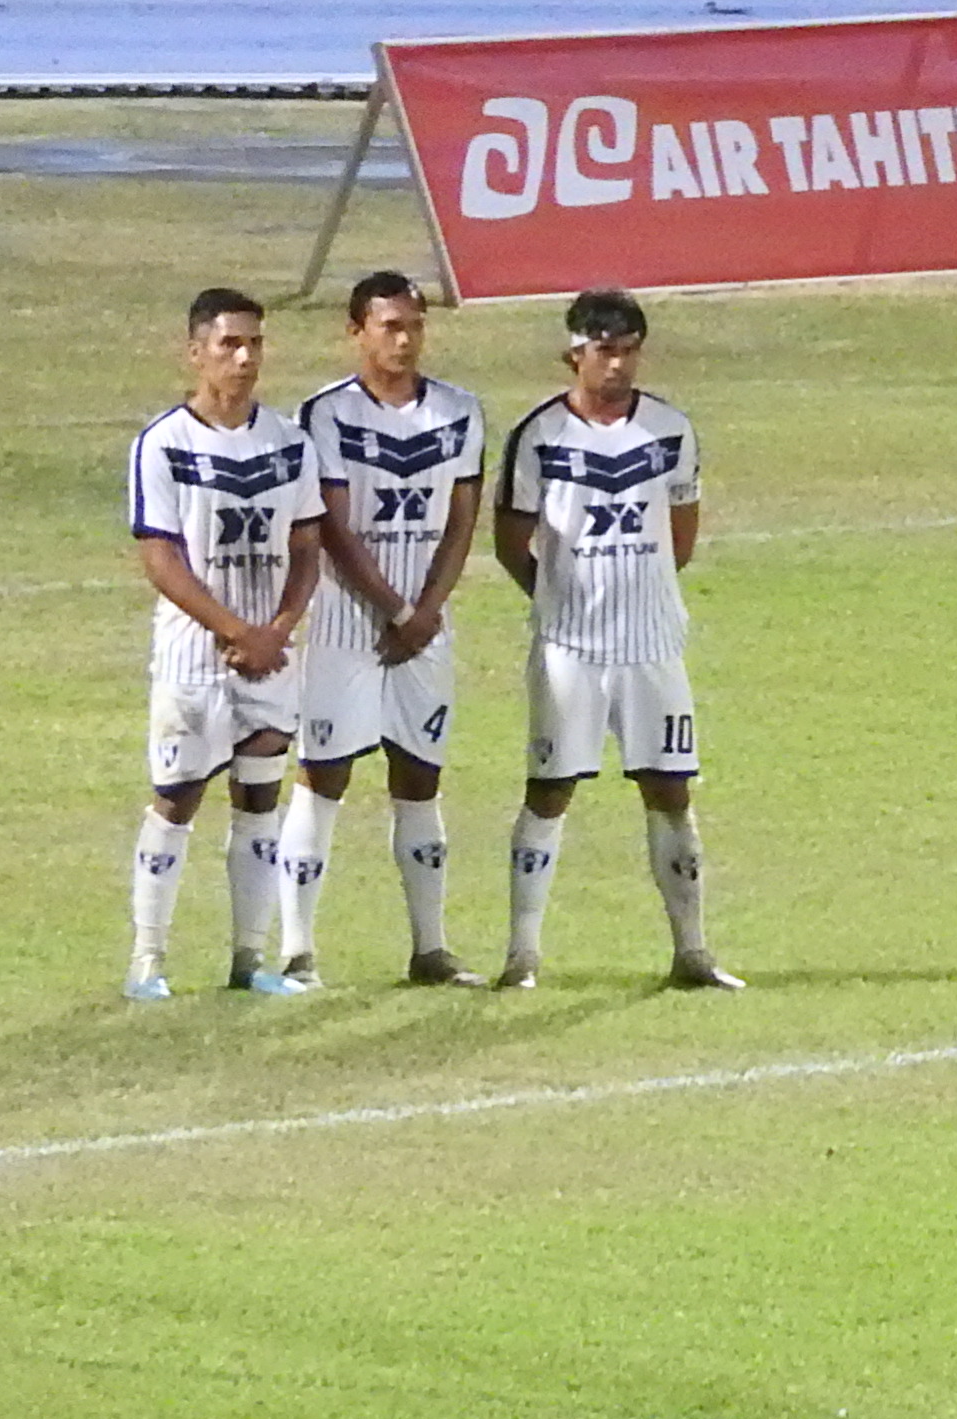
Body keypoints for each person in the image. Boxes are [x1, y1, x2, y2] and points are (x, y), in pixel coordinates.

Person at [492, 288, 736, 989]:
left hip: (653, 644)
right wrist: (562, 600)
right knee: (551, 788)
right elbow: (513, 540)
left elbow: (681, 535)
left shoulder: (669, 431)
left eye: (628, 349)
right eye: (604, 349)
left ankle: (692, 952)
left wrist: (643, 591)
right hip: (570, 648)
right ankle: (522, 955)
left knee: (671, 789)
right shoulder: (540, 436)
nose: (618, 364)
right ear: (575, 351)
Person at [285, 270, 488, 988]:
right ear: (356, 332)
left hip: (425, 627)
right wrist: (395, 611)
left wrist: (427, 609)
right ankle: (296, 951)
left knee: (420, 776)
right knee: (324, 776)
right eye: (389, 326)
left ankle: (430, 949)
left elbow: (462, 520)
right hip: (347, 621)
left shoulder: (461, 412)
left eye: (414, 326)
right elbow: (334, 529)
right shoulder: (327, 415)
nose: (404, 340)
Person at [123, 286, 322, 1002]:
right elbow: (160, 559)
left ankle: (248, 959)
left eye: (255, 344)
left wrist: (280, 629)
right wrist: (238, 631)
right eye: (229, 344)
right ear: (195, 351)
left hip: (269, 657)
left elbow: (307, 546)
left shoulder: (289, 442)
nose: (245, 358)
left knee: (260, 801)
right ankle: (148, 960)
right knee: (177, 798)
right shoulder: (164, 444)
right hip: (194, 659)